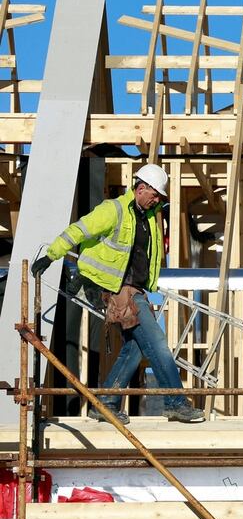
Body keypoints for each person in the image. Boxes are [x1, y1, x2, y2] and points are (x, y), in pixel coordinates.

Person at [31, 164, 204, 424]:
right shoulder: (114, 210)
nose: (157, 200)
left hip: (135, 291)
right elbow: (78, 230)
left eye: (160, 197)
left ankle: (107, 403)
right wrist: (51, 256)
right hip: (117, 291)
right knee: (157, 344)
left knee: (134, 350)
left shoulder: (148, 219)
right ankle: (176, 402)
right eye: (155, 194)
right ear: (141, 188)